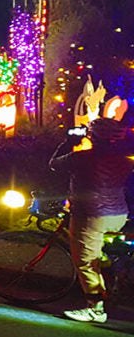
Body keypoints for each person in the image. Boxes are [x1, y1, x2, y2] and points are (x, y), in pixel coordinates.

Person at [51, 117, 133, 323]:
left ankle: (95, 309)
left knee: (85, 262)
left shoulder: (81, 158)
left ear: (92, 136)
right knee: (97, 252)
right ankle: (109, 269)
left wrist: (68, 142)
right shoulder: (125, 160)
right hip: (118, 214)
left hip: (90, 215)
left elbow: (53, 164)